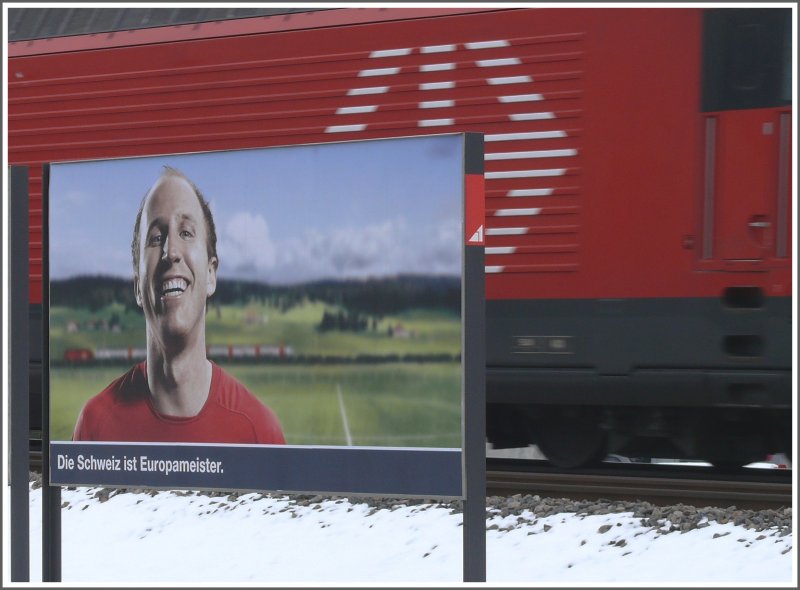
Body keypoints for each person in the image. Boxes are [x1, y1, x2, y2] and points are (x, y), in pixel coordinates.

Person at [73, 167, 285, 444]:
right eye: (156, 238)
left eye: (186, 233)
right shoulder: (94, 426)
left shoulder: (260, 432)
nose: (170, 251)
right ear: (138, 286)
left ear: (211, 274)